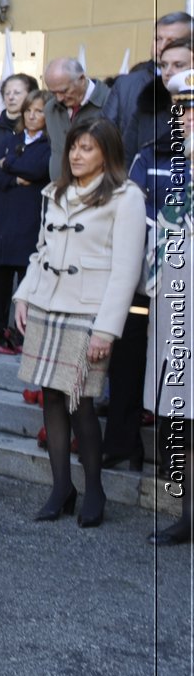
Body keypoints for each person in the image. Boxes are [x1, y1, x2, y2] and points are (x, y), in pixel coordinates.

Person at [13, 117, 146, 528]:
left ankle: (94, 489)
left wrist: (107, 329)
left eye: (87, 148)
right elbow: (41, 250)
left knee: (80, 401)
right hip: (46, 306)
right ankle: (60, 488)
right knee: (50, 398)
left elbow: (126, 270)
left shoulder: (126, 197)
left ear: (107, 153)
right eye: (74, 146)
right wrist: (23, 294)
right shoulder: (54, 191)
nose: (76, 154)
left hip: (89, 310)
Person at [111, 37, 194, 474]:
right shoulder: (153, 151)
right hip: (156, 280)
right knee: (154, 372)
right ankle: (147, 452)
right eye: (164, 65)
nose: (184, 118)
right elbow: (137, 204)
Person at [132, 53, 194, 544]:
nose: (185, 116)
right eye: (180, 107)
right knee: (182, 419)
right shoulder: (173, 167)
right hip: (176, 305)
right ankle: (189, 515)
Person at [0, 90, 51, 352]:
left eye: (39, 111)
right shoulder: (11, 139)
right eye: (29, 111)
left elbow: (38, 168)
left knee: (26, 276)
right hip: (3, 217)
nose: (33, 116)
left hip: (29, 217)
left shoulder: (50, 144)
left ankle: (22, 333)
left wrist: (8, 164)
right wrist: (14, 179)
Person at [101, 10, 194, 152]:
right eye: (158, 39)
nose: (161, 47)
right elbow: (104, 137)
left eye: (172, 41)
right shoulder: (126, 85)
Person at [42, 58, 111, 182]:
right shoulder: (50, 109)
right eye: (53, 93)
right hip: (60, 191)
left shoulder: (111, 103)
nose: (59, 98)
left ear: (82, 79)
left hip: (99, 192)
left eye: (64, 91)